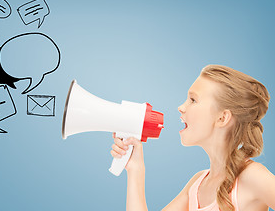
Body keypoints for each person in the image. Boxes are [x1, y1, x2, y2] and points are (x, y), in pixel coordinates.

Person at [111, 65, 275, 211]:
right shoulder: (197, 184)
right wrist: (135, 168)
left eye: (193, 100)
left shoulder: (253, 177)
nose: (181, 107)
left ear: (222, 118)